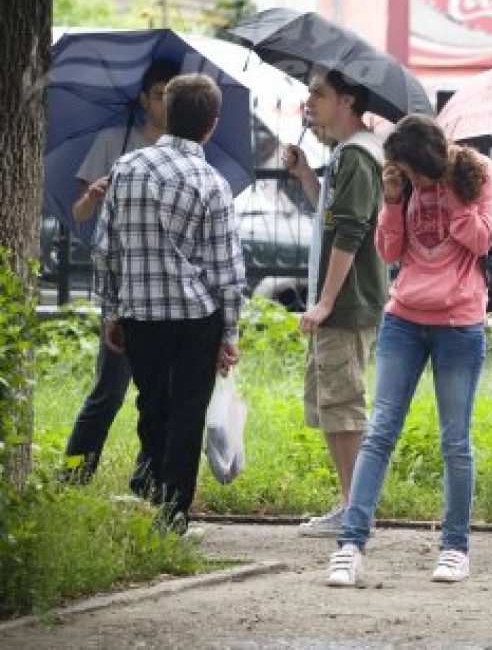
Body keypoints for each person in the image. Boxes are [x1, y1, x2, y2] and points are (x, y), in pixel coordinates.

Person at [326, 114, 492, 587]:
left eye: (418, 171)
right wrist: (394, 200)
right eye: (406, 171)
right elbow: (388, 252)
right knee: (380, 431)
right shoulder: (403, 182)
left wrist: (454, 196)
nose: (416, 179)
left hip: (459, 322)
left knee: (455, 441)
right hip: (404, 318)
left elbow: (482, 240)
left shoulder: (477, 170)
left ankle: (455, 548)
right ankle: (350, 543)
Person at [93, 73, 246, 533]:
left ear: (166, 110)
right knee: (187, 413)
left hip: (140, 313)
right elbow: (227, 270)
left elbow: (106, 247)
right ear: (211, 124)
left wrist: (112, 311)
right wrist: (230, 333)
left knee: (151, 403)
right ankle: (172, 516)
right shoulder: (212, 183)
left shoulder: (127, 168)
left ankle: (152, 492)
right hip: (196, 317)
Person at [62, 59, 180, 487]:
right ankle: (73, 477)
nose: (166, 102)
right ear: (143, 98)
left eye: (174, 94)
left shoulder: (183, 152)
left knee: (161, 396)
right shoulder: (115, 141)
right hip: (122, 283)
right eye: (159, 93)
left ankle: (147, 481)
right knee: (109, 390)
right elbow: (78, 213)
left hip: (166, 286)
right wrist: (93, 195)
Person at [282, 71, 388, 535]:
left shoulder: (359, 155)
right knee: (332, 404)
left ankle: (355, 509)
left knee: (343, 405)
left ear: (346, 101)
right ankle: (351, 504)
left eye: (318, 94)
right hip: (343, 301)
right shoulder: (346, 154)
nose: (310, 101)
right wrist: (306, 175)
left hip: (347, 303)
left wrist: (324, 302)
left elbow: (352, 231)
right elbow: (332, 216)